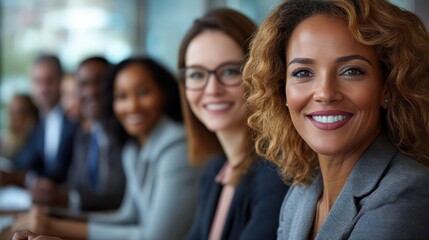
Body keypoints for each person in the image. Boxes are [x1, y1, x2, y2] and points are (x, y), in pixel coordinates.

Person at [243, 0, 429, 239]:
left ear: (387, 88)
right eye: (303, 73)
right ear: (283, 90)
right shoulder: (303, 193)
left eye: (351, 71)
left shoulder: (407, 193)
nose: (325, 93)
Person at [12, 57, 201, 240]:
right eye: (122, 96)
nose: (132, 106)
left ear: (164, 93)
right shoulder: (134, 150)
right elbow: (127, 218)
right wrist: (50, 219)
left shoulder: (177, 147)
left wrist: (54, 226)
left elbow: (155, 237)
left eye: (143, 92)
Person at [178, 8, 289, 240]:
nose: (212, 90)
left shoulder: (276, 173)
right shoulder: (215, 170)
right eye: (197, 75)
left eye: (229, 71)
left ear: (260, 74)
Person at [30, 56, 126, 212]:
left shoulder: (125, 133)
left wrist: (66, 198)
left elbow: (117, 197)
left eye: (100, 81)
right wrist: (50, 191)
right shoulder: (85, 135)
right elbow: (74, 185)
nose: (91, 91)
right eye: (83, 84)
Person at [0, 54, 78, 187]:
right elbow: (24, 162)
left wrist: (21, 178)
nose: (43, 88)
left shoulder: (74, 118)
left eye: (49, 80)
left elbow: (64, 174)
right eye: (37, 81)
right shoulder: (37, 121)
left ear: (61, 80)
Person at [0, 94, 38, 161]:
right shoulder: (5, 141)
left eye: (19, 112)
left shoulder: (36, 139)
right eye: (11, 112)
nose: (13, 117)